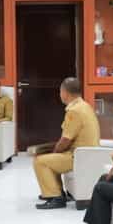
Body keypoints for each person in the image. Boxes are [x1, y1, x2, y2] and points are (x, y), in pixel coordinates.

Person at [33, 77, 99, 209]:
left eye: (60, 92)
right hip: (87, 154)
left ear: (65, 93)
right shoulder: (84, 106)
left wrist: (55, 152)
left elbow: (66, 140)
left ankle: (55, 197)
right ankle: (58, 192)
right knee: (51, 157)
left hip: (79, 156)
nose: (60, 94)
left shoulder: (74, 111)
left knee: (39, 161)